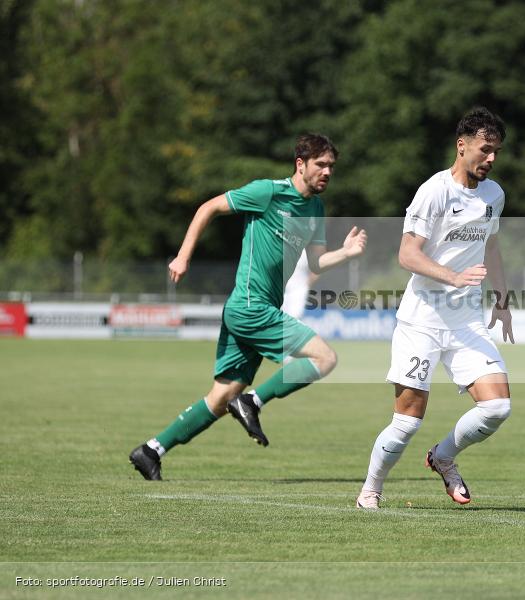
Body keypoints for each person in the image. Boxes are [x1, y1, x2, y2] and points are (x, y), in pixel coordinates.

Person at [129, 134, 367, 480]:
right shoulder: (268, 192)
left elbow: (315, 263)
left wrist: (346, 253)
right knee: (325, 358)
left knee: (221, 396)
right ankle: (253, 402)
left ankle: (151, 450)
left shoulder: (315, 208)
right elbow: (207, 208)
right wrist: (183, 256)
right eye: (321, 164)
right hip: (251, 307)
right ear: (300, 164)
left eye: (331, 165)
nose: (328, 171)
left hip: (257, 308)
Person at [356, 107, 514, 509]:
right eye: (485, 149)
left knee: (497, 407)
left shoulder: (494, 195)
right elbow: (408, 255)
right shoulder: (434, 191)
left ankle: (443, 457)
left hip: (466, 323)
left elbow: (491, 246)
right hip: (422, 321)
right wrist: (451, 276)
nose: (491, 158)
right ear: (462, 147)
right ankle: (370, 491)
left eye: (496, 151)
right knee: (407, 422)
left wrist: (503, 299)